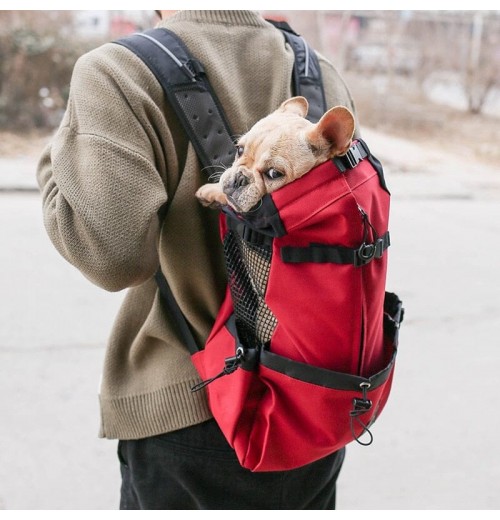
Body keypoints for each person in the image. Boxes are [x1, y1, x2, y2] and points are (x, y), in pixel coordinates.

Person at [37, 10, 359, 510]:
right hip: (314, 406)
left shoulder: (119, 71)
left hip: (186, 407)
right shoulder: (317, 71)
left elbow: (114, 257)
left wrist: (53, 166)